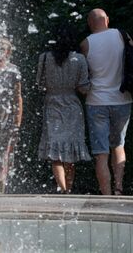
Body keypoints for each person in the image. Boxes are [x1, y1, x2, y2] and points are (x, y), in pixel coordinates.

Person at [80, 9, 132, 195]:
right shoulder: (122, 35)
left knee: (101, 153)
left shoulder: (86, 43)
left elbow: (84, 74)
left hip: (96, 101)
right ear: (107, 20)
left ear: (89, 23)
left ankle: (106, 194)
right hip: (122, 99)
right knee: (118, 146)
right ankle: (118, 189)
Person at [37, 26, 91, 194]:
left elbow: (40, 84)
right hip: (73, 106)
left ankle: (62, 189)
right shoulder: (80, 59)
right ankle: (69, 189)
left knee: (55, 151)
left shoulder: (44, 58)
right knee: (70, 152)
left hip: (52, 104)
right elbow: (84, 88)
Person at [0, 36, 23, 194]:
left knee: (4, 152)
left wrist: (17, 121)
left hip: (6, 117)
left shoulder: (13, 71)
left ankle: (0, 185)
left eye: (1, 49)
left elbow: (17, 97)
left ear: (8, 52)